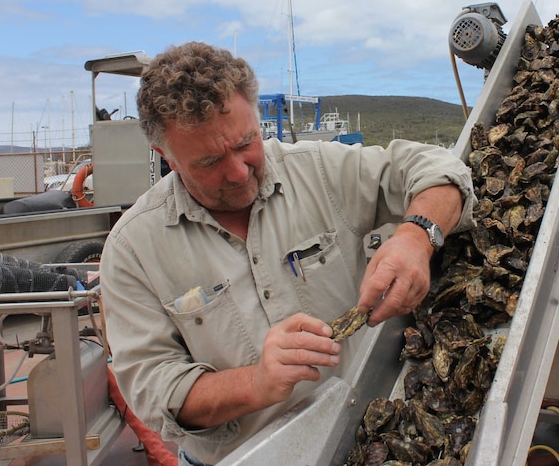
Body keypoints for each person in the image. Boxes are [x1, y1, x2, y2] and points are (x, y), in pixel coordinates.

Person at [99, 41, 476, 466]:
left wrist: (415, 237)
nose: (239, 171)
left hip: (363, 443)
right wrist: (257, 383)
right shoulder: (133, 248)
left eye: (246, 143)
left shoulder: (319, 171)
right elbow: (153, 387)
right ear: (164, 154)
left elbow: (440, 169)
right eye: (209, 161)